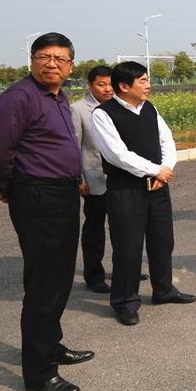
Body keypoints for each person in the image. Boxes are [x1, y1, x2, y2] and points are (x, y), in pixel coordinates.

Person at [0, 32, 93, 391]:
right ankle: (38, 372)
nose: (52, 64)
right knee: (44, 284)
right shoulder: (20, 97)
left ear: (70, 66)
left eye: (60, 59)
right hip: (38, 196)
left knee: (60, 277)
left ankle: (51, 345)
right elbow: (0, 152)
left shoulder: (58, 98)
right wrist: (10, 186)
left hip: (62, 194)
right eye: (44, 57)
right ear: (31, 61)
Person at [91, 61, 196, 326]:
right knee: (128, 247)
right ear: (124, 86)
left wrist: (166, 169)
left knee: (162, 241)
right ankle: (125, 301)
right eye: (143, 81)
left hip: (158, 187)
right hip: (126, 190)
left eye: (147, 80)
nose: (148, 85)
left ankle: (164, 290)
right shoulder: (103, 114)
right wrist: (155, 170)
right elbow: (117, 155)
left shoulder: (149, 108)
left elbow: (166, 140)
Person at [71, 66, 116, 293]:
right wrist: (79, 178)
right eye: (101, 84)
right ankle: (94, 275)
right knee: (95, 229)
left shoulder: (118, 106)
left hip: (119, 179)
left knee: (123, 227)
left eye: (111, 84)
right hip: (94, 178)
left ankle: (124, 268)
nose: (108, 89)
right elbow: (74, 147)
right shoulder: (78, 109)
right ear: (90, 85)